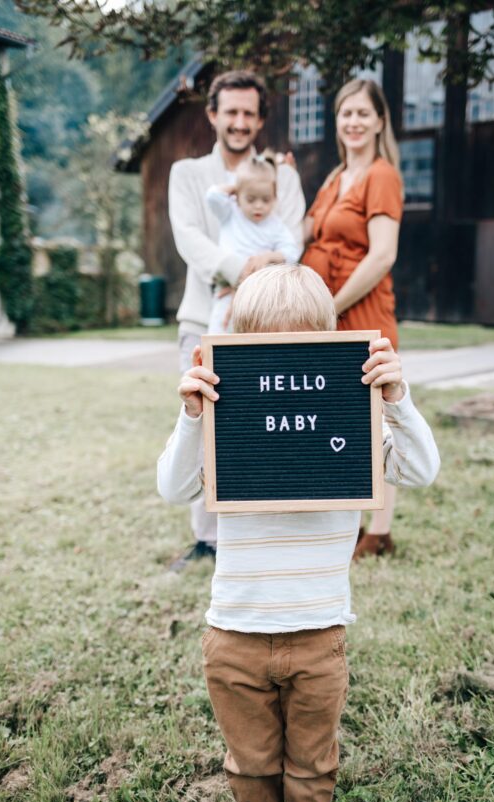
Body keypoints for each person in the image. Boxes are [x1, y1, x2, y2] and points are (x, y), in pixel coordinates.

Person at [157, 263, 440, 802]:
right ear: (239, 348)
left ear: (329, 343)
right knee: (250, 766)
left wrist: (398, 400)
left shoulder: (356, 417)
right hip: (236, 632)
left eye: (300, 346)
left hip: (319, 634)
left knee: (314, 769)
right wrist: (191, 417)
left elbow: (422, 469)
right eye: (264, 349)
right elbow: (173, 488)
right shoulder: (223, 418)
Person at [168, 69, 306, 560]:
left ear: (261, 119)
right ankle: (207, 541)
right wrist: (241, 266)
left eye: (249, 113)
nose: (240, 121)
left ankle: (261, 535)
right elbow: (189, 238)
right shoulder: (188, 175)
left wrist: (260, 273)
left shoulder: (282, 176)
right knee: (206, 423)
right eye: (231, 111)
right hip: (204, 316)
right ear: (212, 114)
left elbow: (293, 239)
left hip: (269, 321)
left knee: (262, 425)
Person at [302, 78, 404, 560]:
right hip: (328, 312)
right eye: (346, 113)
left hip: (359, 309)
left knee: (375, 415)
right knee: (340, 414)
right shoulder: (332, 178)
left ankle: (380, 532)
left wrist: (334, 304)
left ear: (380, 120)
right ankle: (351, 520)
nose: (354, 122)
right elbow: (301, 232)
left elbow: (382, 255)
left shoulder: (381, 175)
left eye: (364, 113)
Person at [206, 152, 300, 333]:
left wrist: (269, 256)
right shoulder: (230, 213)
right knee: (221, 328)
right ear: (237, 197)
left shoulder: (274, 224)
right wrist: (238, 187)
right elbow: (212, 196)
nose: (258, 206)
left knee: (253, 333)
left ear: (274, 197)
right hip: (228, 285)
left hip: (259, 291)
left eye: (266, 199)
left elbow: (291, 252)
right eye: (250, 199)